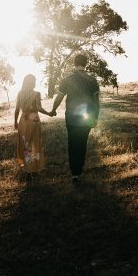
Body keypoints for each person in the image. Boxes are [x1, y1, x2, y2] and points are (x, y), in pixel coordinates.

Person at [50, 53, 100, 182]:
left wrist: (53, 110)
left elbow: (59, 98)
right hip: (87, 117)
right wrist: (95, 117)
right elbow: (96, 102)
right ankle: (79, 168)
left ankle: (74, 173)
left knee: (72, 143)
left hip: (71, 117)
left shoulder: (67, 79)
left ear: (75, 63)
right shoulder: (92, 80)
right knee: (82, 143)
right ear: (86, 64)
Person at [14, 74, 53, 174]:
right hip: (33, 120)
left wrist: (15, 122)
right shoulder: (36, 94)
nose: (35, 83)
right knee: (34, 143)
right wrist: (49, 113)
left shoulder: (20, 93)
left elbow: (17, 109)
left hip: (23, 120)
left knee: (25, 143)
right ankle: (33, 167)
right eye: (34, 81)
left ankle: (26, 166)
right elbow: (39, 108)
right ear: (31, 82)